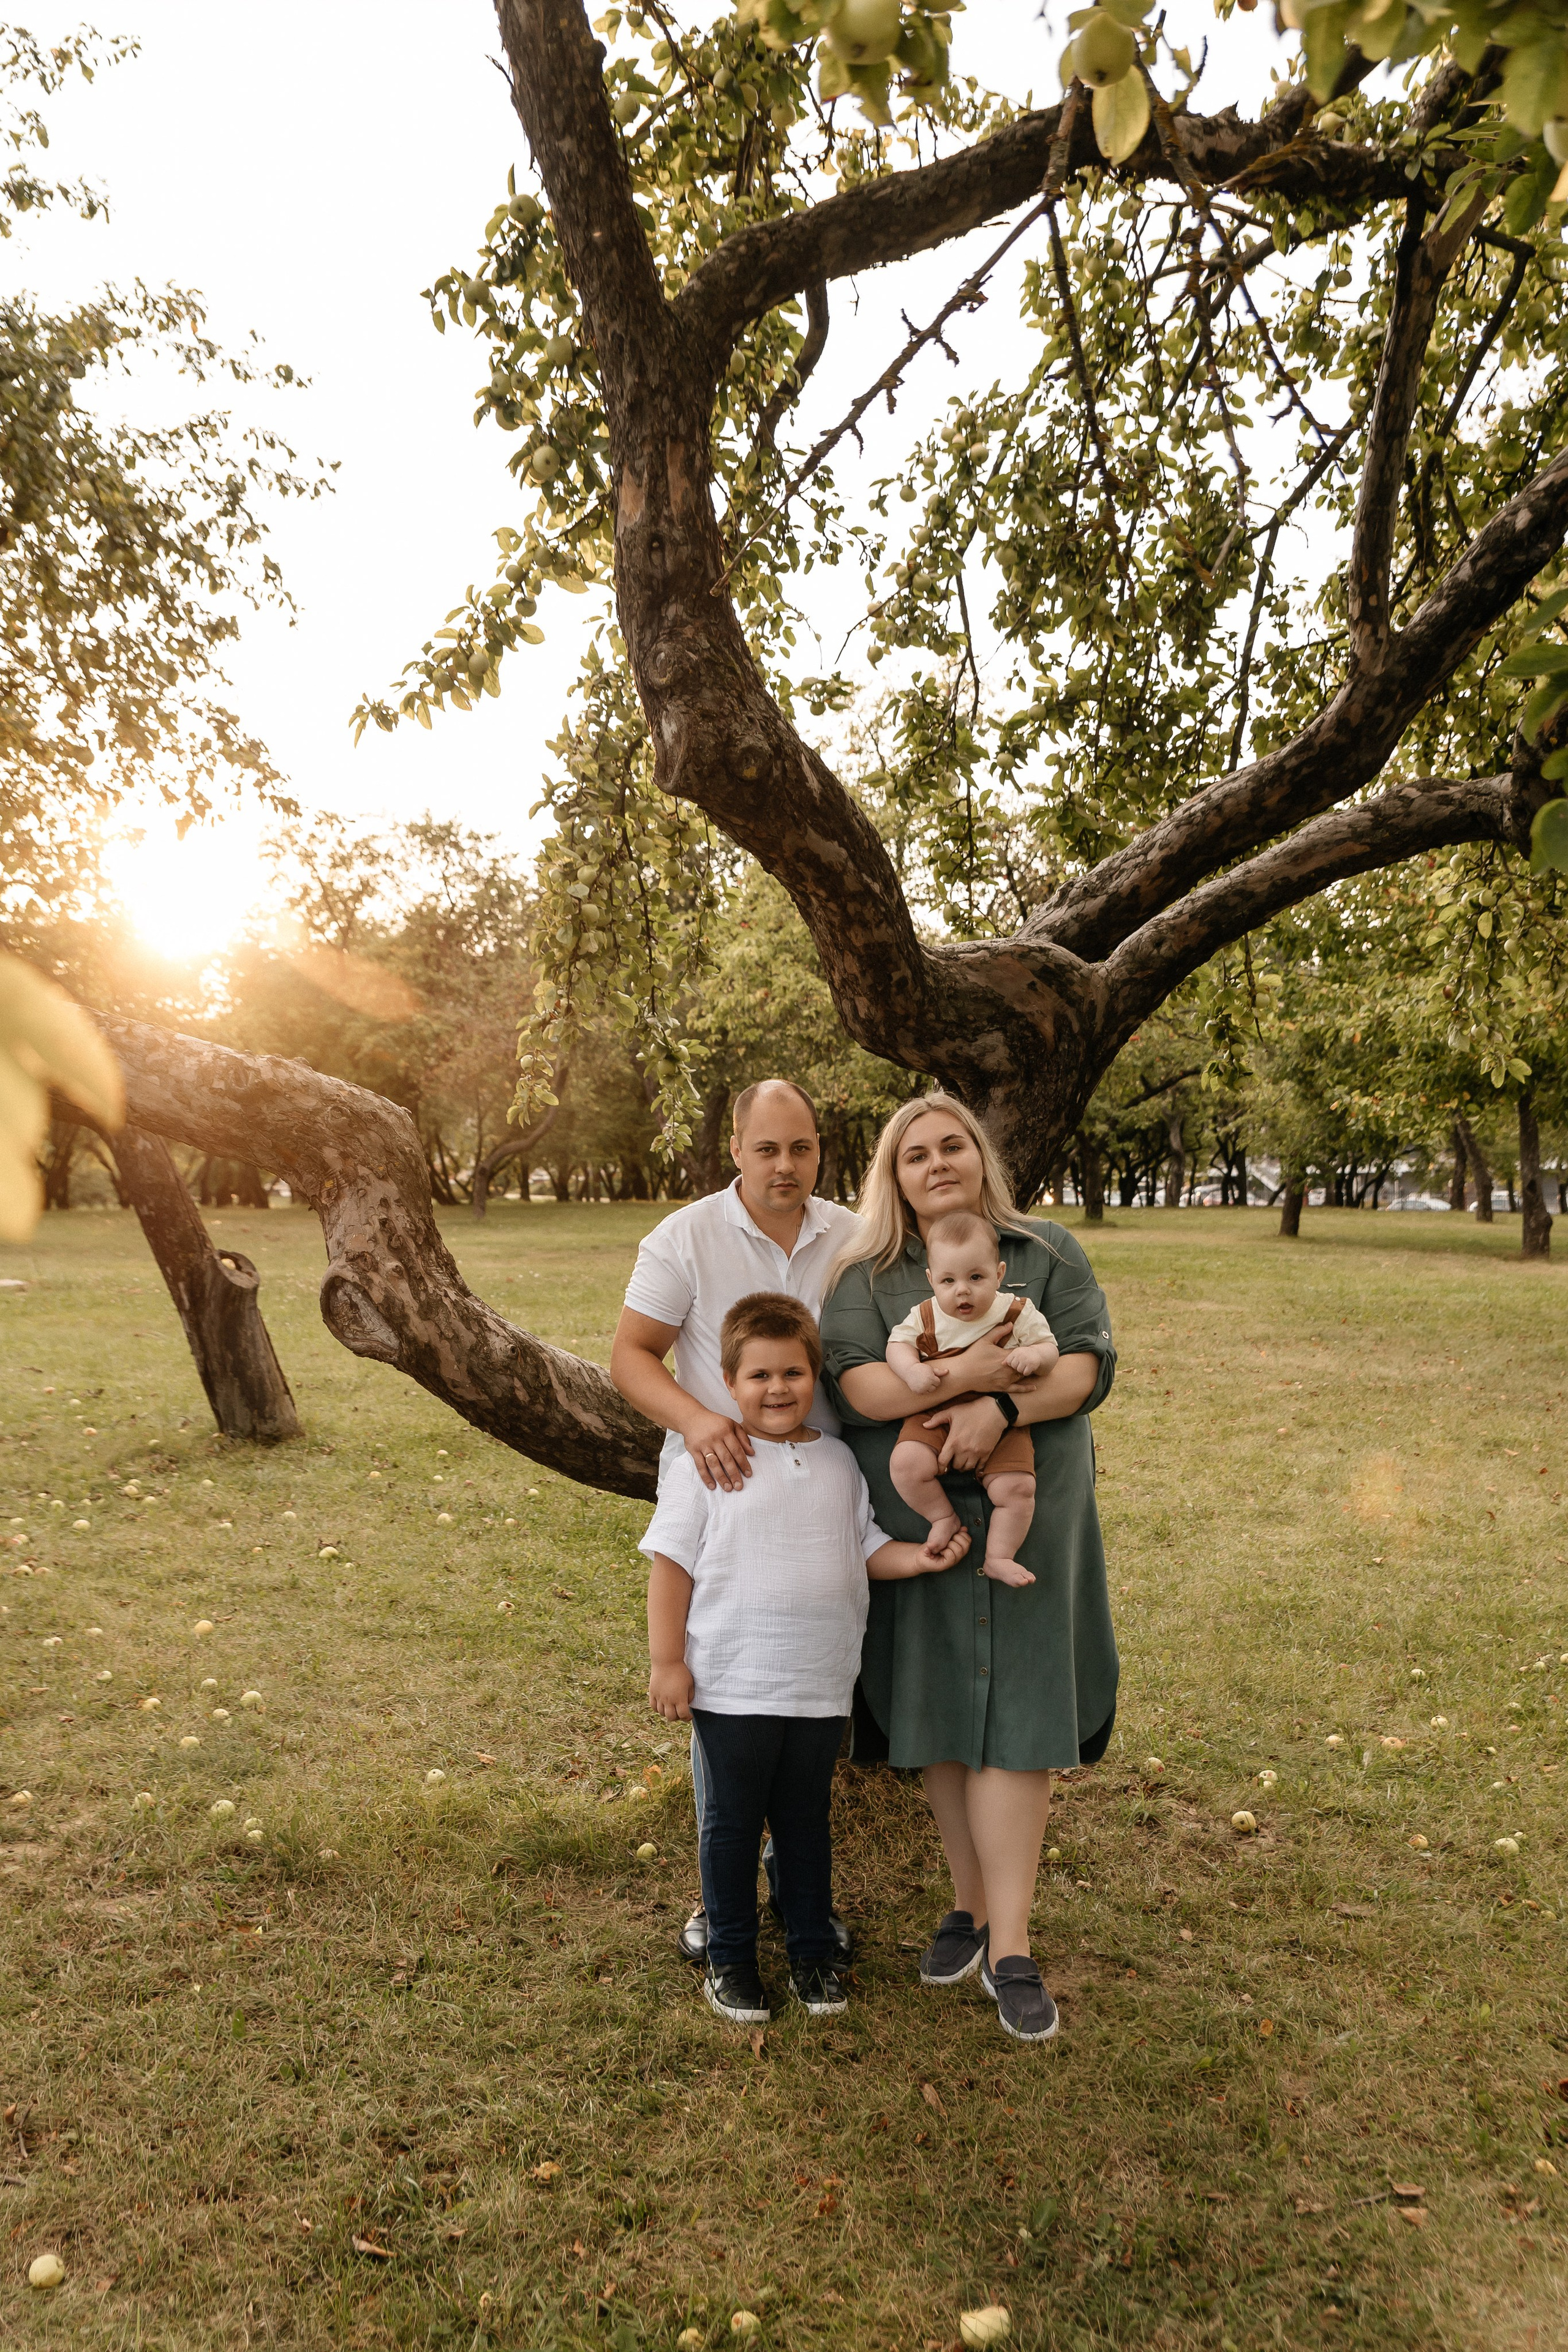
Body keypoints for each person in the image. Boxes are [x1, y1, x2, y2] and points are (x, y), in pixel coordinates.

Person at [818, 1095, 1117, 2045]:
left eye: (953, 1145)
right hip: (927, 1515)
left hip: (1032, 1506)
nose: (937, 1162)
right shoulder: (867, 1275)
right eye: (916, 1154)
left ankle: (1014, 1948)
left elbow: (1085, 1368)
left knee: (1020, 1717)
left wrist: (1006, 1411)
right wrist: (980, 1381)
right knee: (945, 1711)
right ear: (892, 1175)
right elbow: (860, 1384)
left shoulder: (1047, 1253)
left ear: (979, 1154)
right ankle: (968, 1906)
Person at [643, 1292, 970, 2025]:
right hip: (732, 1685)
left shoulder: (839, 1465)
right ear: (728, 1383)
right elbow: (671, 1566)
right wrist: (669, 1663)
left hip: (821, 1687)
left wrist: (916, 1559)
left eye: (792, 1373)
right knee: (730, 1825)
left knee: (804, 1822)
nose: (777, 1389)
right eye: (758, 1376)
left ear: (815, 1377)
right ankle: (730, 1960)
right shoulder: (708, 1463)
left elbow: (862, 1550)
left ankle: (812, 1954)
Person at [609, 1079, 862, 1965]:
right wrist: (697, 1419)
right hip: (725, 1483)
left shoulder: (857, 1236)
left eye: (800, 1148)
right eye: (767, 1149)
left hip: (829, 1487)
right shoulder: (683, 1237)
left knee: (800, 1701)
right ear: (737, 1150)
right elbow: (629, 1356)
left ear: (819, 1148)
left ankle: (800, 1896)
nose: (785, 1166)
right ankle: (724, 1905)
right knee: (729, 1687)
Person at [884, 1207, 1060, 1585]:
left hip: (1001, 1418)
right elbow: (897, 1345)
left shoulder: (1017, 1311)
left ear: (999, 1274)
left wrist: (1035, 1356)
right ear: (931, 1280)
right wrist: (912, 1370)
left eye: (976, 1277)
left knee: (1017, 1488)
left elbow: (1050, 1350)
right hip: (936, 1407)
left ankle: (999, 1556)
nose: (962, 1290)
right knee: (906, 1464)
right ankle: (942, 1517)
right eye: (948, 1280)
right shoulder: (926, 1315)